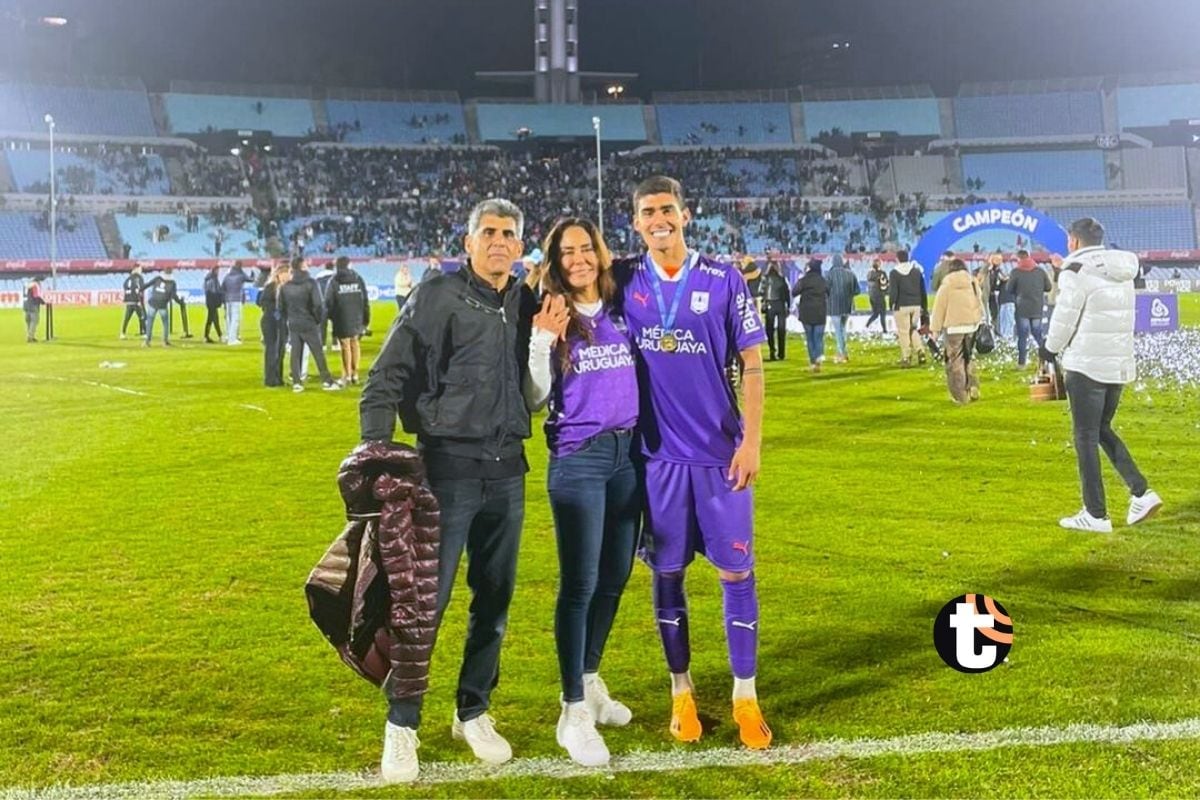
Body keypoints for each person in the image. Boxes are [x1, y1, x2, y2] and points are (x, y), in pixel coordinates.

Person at [360, 198, 537, 782]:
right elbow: (384, 377)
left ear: (519, 245)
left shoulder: (525, 300)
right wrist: (378, 456)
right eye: (487, 231)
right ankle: (402, 725)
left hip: (509, 470)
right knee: (423, 607)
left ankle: (474, 710)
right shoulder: (437, 296)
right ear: (468, 242)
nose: (498, 241)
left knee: (495, 603)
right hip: (447, 473)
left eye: (508, 233)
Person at [613, 175, 772, 751]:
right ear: (635, 222)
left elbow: (753, 364)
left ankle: (744, 696)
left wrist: (751, 441)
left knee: (735, 573)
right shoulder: (623, 279)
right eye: (648, 211)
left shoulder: (722, 279)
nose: (659, 219)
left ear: (685, 214)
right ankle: (681, 689)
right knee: (668, 572)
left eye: (667, 210)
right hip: (657, 460)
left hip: (721, 455)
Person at [525, 217, 640, 767]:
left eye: (585, 249)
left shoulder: (622, 307)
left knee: (615, 577)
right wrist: (543, 340)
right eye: (567, 252)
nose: (578, 260)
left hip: (628, 457)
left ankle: (591, 679)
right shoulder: (552, 314)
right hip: (579, 459)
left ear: (600, 253)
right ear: (555, 260)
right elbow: (534, 397)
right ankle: (572, 711)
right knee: (580, 584)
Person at [1041, 218, 1162, 533]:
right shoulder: (1121, 269)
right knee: (1101, 429)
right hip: (1117, 363)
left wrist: (1049, 349)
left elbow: (1066, 316)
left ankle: (1095, 514)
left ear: (1073, 241)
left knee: (1085, 436)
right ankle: (1141, 492)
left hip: (1086, 364)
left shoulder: (1076, 271)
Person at [278, 257, 340, 392]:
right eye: (306, 264)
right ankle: (327, 381)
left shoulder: (285, 287)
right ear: (302, 267)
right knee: (318, 352)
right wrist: (317, 320)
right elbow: (318, 305)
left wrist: (289, 319)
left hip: (293, 323)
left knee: (295, 353)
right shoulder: (311, 283)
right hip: (309, 323)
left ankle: (296, 382)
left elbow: (281, 308)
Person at [928, 258, 983, 404]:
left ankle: (960, 395)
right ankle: (973, 385)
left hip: (953, 328)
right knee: (969, 357)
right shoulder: (972, 282)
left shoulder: (946, 285)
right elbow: (979, 302)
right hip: (971, 326)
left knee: (955, 362)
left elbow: (939, 308)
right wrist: (979, 320)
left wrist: (935, 331)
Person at [325, 256, 371, 386]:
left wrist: (332, 317)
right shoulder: (357, 278)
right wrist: (365, 318)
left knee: (345, 345)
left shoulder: (334, 281)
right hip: (357, 316)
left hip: (341, 317)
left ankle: (347, 375)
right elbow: (365, 299)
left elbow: (329, 302)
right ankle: (355, 374)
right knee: (355, 342)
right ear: (349, 265)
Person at [1008, 249, 1052, 367]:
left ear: (1019, 259)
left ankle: (1022, 363)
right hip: (1037, 307)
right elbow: (1048, 287)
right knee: (1037, 333)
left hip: (1022, 308)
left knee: (1023, 335)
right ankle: (1048, 357)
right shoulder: (1040, 271)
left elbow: (1009, 289)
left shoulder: (1015, 272)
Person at [888, 249, 927, 368]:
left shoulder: (894, 273)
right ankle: (920, 351)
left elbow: (893, 291)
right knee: (913, 329)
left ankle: (906, 357)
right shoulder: (916, 271)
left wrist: (892, 304)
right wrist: (923, 307)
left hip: (902, 305)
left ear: (898, 259)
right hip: (916, 305)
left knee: (903, 332)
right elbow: (922, 290)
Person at [793, 258, 829, 373]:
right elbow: (829, 292)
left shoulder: (804, 280)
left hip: (806, 313)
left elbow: (794, 292)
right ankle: (818, 358)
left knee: (810, 338)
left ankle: (813, 362)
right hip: (820, 312)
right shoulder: (823, 280)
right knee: (818, 337)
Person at [257, 262, 290, 387]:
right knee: (272, 350)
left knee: (281, 350)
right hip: (270, 321)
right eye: (285, 274)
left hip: (282, 322)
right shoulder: (270, 287)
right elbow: (262, 302)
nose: (287, 277)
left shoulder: (286, 288)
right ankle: (270, 379)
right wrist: (276, 310)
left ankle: (279, 378)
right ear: (279, 274)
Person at [825, 253, 858, 364]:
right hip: (847, 305)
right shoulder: (850, 274)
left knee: (838, 330)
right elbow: (857, 291)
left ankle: (842, 353)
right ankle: (842, 351)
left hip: (834, 306)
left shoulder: (829, 275)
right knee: (843, 329)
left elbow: (826, 290)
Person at [758, 257, 790, 361]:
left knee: (777, 329)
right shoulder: (768, 278)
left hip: (776, 304)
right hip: (773, 303)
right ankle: (776, 351)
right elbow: (761, 290)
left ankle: (778, 352)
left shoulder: (779, 278)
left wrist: (787, 305)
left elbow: (786, 292)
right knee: (774, 329)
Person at [142, 269, 179, 347]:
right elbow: (174, 296)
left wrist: (139, 290)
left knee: (150, 322)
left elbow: (147, 284)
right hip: (163, 304)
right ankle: (165, 342)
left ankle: (147, 341)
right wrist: (179, 302)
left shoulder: (158, 278)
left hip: (153, 302)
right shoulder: (172, 283)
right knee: (165, 323)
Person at [221, 261, 249, 345]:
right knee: (235, 319)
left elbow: (222, 288)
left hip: (227, 299)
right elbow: (250, 279)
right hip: (236, 299)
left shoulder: (226, 276)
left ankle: (228, 336)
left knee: (229, 319)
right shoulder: (241, 276)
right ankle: (232, 339)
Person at [119, 265, 146, 339]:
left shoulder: (128, 278)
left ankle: (122, 333)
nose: (141, 270)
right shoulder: (139, 278)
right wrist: (140, 300)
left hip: (128, 300)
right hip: (136, 300)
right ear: (136, 269)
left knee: (127, 318)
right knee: (142, 316)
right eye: (140, 269)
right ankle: (144, 333)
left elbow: (124, 285)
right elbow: (141, 288)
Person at [865, 258, 888, 333]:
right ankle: (884, 330)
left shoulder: (869, 274)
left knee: (875, 313)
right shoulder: (882, 273)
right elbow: (885, 285)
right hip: (880, 296)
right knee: (882, 314)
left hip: (872, 297)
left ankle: (867, 325)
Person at [203, 265, 224, 343]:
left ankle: (219, 335)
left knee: (214, 319)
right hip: (212, 301)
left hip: (209, 301)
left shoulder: (208, 278)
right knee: (212, 319)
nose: (218, 272)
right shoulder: (213, 279)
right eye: (217, 270)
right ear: (215, 270)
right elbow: (215, 290)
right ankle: (207, 336)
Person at [23, 276, 46, 343]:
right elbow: (36, 296)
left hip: (26, 305)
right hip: (33, 305)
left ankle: (30, 336)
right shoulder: (35, 285)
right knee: (34, 321)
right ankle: (30, 337)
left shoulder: (27, 285)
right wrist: (43, 302)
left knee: (28, 322)